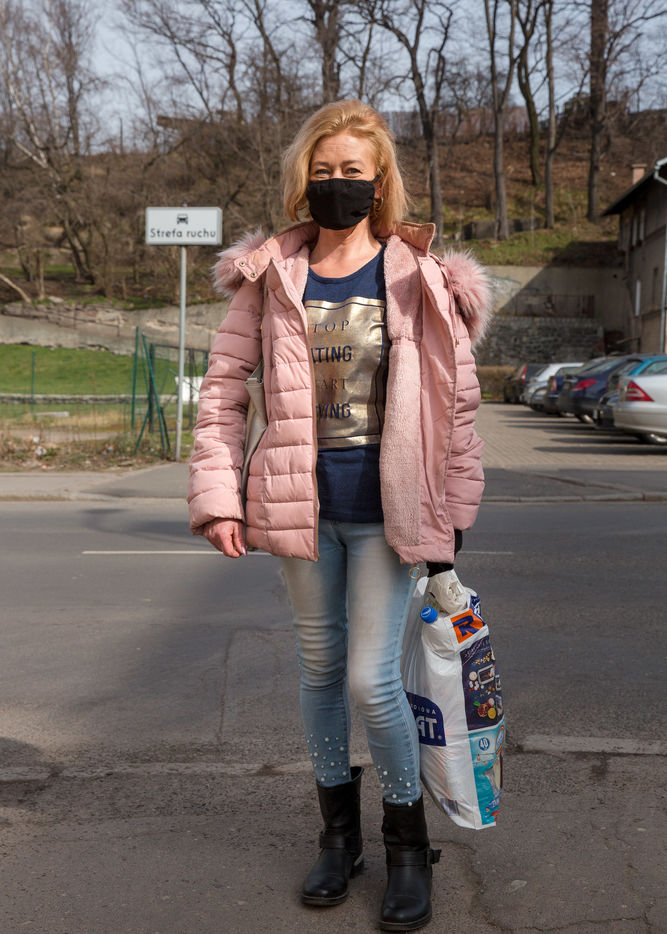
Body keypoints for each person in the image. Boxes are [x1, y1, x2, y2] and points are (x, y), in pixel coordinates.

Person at [188, 99, 491, 932]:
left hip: (389, 510)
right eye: (322, 172)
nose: (336, 183)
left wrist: (452, 513)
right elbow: (222, 393)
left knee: (370, 680)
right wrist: (218, 498)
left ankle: (405, 845)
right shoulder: (270, 275)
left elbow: (457, 409)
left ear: (379, 181)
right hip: (298, 505)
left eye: (352, 171)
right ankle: (338, 838)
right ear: (302, 180)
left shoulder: (418, 276)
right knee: (320, 673)